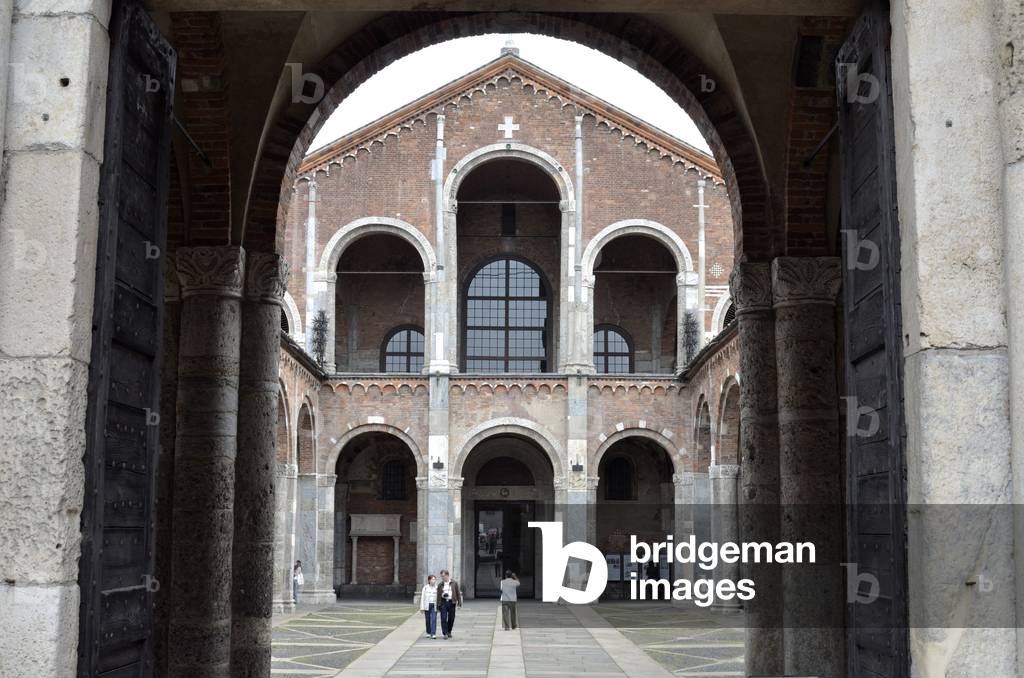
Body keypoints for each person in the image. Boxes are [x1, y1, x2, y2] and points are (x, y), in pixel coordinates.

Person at [436, 569, 463, 639]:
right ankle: (445, 633)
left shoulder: (454, 583)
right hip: (443, 602)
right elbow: (438, 596)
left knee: (451, 618)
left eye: (443, 576)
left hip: (452, 602)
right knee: (443, 618)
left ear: (447, 575)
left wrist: (459, 603)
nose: (442, 577)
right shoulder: (440, 585)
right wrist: (437, 606)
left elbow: (458, 593)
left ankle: (449, 631)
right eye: (441, 576)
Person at [419, 575, 439, 639]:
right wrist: (422, 607)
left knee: (434, 619)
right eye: (432, 579)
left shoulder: (437, 588)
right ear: (429, 580)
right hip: (427, 605)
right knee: (427, 620)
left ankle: (433, 633)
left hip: (434, 605)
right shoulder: (425, 588)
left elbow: (439, 598)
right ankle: (428, 632)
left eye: (434, 579)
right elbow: (422, 598)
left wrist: (439, 607)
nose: (434, 581)